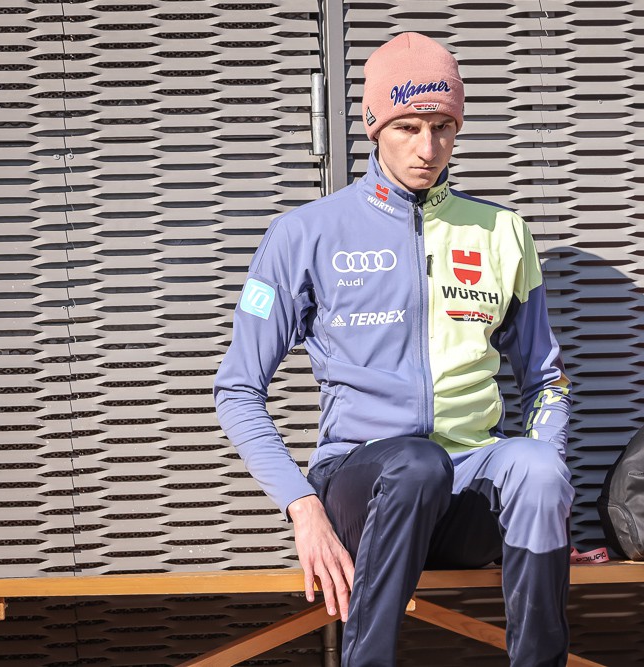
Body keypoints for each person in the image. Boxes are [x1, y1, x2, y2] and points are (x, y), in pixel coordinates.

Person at [213, 31, 574, 667]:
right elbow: (238, 389)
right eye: (408, 127)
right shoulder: (303, 235)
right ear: (373, 124)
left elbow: (547, 381)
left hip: (467, 489)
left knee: (538, 469)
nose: (427, 148)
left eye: (443, 127)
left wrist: (548, 491)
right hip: (364, 490)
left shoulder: (503, 232)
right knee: (415, 463)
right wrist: (303, 509)